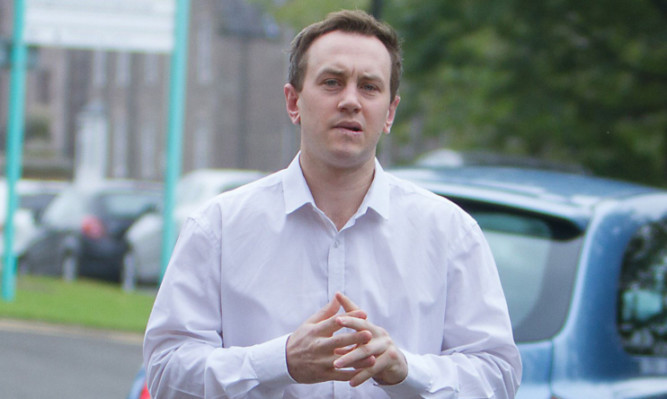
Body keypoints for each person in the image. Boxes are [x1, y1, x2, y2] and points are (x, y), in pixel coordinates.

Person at [143, 9, 522, 399]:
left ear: (390, 112)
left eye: (370, 87)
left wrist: (407, 371)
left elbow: (497, 376)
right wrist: (281, 361)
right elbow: (166, 371)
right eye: (332, 82)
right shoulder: (220, 226)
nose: (351, 101)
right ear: (293, 102)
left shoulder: (450, 234)